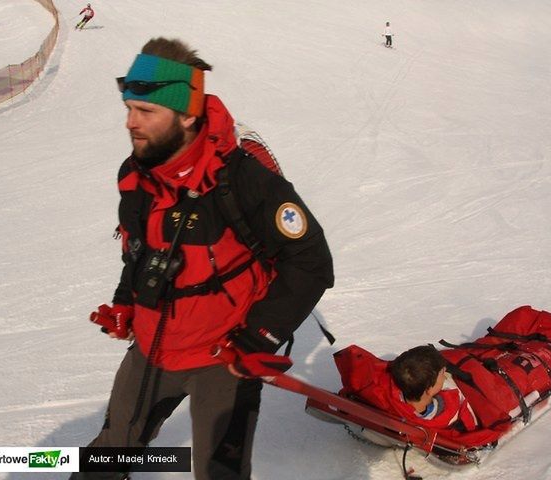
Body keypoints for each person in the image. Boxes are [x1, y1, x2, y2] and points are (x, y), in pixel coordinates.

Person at [70, 37, 334, 480]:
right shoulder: (135, 176)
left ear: (187, 114)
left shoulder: (242, 180)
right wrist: (125, 303)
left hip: (223, 357)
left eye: (145, 111)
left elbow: (310, 261)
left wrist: (258, 338)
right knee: (107, 456)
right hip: (152, 347)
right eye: (128, 108)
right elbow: (137, 251)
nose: (130, 123)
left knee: (218, 472)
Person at [389, 345, 477, 431]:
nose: (444, 377)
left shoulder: (395, 390)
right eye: (442, 374)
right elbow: (472, 427)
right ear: (429, 390)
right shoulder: (452, 413)